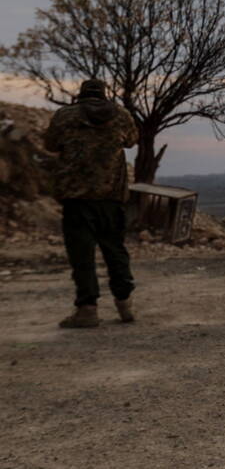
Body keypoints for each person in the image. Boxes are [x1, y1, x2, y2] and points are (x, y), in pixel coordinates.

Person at [43, 79, 139, 328]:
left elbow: (50, 144)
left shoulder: (64, 116)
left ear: (81, 95)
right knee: (115, 249)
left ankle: (87, 309)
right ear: (104, 95)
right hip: (111, 196)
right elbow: (131, 140)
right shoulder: (121, 115)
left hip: (77, 198)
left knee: (81, 255)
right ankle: (125, 303)